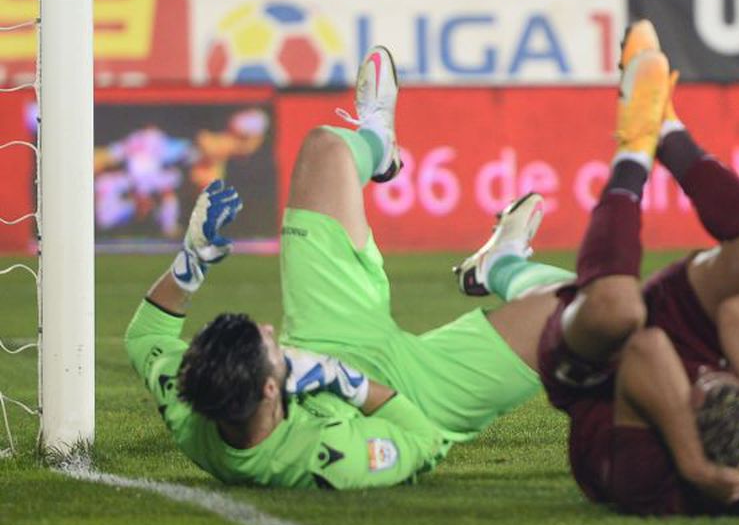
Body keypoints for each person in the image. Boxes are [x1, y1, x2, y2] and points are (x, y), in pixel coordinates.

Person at [124, 46, 560, 489]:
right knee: (574, 309)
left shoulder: (191, 397)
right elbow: (422, 439)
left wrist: (193, 260)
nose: (272, 330)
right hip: (414, 395)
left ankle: (378, 142)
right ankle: (502, 266)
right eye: (269, 345)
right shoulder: (326, 460)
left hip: (327, 331)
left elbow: (146, 336)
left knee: (325, 148)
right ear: (271, 389)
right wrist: (347, 382)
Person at [453, 20, 739, 516]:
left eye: (704, 387)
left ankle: (634, 147)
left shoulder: (650, 480)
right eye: (727, 381)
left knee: (614, 309)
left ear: (687, 420)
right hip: (686, 341)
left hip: (604, 375)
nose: (709, 375)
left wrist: (692, 463)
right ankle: (668, 130)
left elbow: (645, 347)